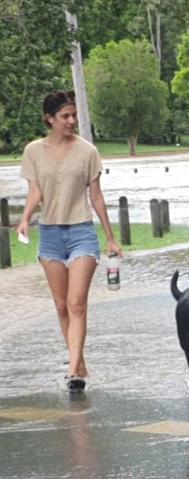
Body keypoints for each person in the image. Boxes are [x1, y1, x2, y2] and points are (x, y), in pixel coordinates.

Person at [16, 90, 122, 391]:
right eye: (65, 116)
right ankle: (79, 360)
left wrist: (111, 237)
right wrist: (25, 218)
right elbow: (35, 192)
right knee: (61, 306)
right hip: (49, 235)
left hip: (82, 233)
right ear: (50, 119)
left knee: (77, 304)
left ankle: (73, 370)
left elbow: (97, 197)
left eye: (74, 115)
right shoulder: (33, 151)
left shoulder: (87, 151)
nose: (72, 121)